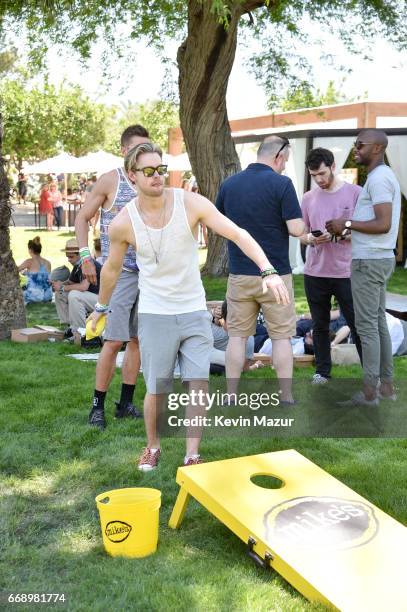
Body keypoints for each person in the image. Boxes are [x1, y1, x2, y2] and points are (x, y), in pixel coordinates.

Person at [88, 142, 289, 471]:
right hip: (155, 315)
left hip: (194, 311)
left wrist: (268, 269)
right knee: (157, 388)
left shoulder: (189, 202)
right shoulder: (123, 222)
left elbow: (237, 233)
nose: (157, 177)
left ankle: (192, 453)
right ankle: (153, 446)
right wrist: (100, 306)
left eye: (161, 169)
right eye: (149, 171)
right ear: (132, 175)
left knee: (198, 384)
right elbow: (111, 269)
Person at [216, 135, 304, 404]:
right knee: (281, 338)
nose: (285, 166)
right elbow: (296, 229)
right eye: (286, 161)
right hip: (275, 275)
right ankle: (286, 397)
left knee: (237, 338)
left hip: (240, 273)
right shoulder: (282, 184)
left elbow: (218, 224)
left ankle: (231, 396)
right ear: (278, 156)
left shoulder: (229, 184)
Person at [75, 125, 150, 429]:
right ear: (124, 150)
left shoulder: (151, 180)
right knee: (114, 341)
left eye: (148, 148)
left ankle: (126, 403)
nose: (144, 154)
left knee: (137, 341)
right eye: (138, 149)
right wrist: (84, 256)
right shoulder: (111, 180)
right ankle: (98, 407)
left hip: (149, 275)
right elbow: (82, 217)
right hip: (119, 274)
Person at [326, 129, 401, 405]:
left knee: (367, 326)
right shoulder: (380, 177)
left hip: (369, 262)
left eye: (360, 145)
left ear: (378, 148)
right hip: (377, 258)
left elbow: (383, 224)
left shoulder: (380, 178)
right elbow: (377, 224)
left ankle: (370, 393)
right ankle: (387, 388)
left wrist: (345, 223)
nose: (355, 149)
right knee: (378, 322)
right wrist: (348, 229)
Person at [300, 147, 362, 384]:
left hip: (346, 271)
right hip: (315, 272)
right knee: (320, 325)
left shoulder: (355, 193)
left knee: (357, 324)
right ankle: (322, 372)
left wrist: (340, 235)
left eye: (322, 174)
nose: (319, 180)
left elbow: (366, 230)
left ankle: (372, 374)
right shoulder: (307, 198)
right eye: (314, 175)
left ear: (333, 166)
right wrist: (311, 239)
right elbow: (301, 233)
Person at [51, 238, 101, 338]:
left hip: (102, 300)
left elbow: (83, 286)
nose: (68, 260)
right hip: (92, 298)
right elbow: (70, 282)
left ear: (79, 255)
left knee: (74, 294)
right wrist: (58, 285)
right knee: (60, 294)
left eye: (71, 257)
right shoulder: (77, 265)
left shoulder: (89, 264)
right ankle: (70, 326)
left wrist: (62, 287)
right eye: (67, 257)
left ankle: (80, 332)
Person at [18, 237, 52, 304]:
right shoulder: (48, 263)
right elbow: (43, 277)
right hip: (47, 296)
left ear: (30, 250)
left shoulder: (29, 262)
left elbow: (14, 271)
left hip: (34, 296)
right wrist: (27, 273)